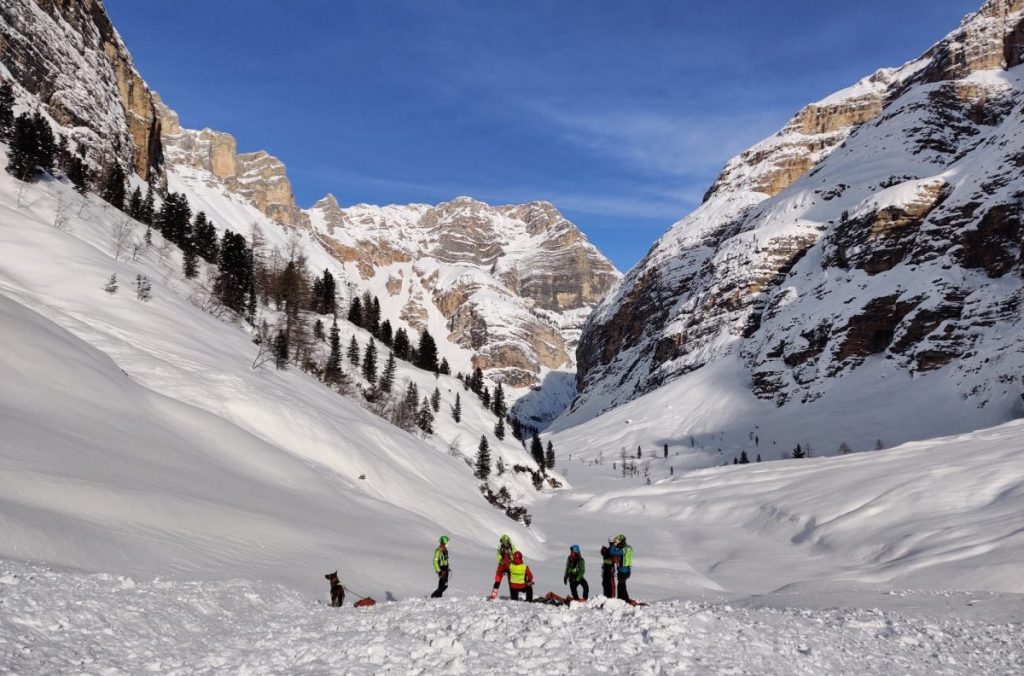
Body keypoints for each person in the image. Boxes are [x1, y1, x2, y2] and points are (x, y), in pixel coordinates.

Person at [489, 534, 518, 599]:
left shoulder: (512, 547)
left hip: (510, 566)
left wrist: (512, 558)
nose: (504, 543)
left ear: (508, 541)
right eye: (503, 542)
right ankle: (493, 594)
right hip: (501, 566)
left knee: (511, 582)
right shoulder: (500, 548)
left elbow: (516, 556)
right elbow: (497, 556)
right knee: (497, 580)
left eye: (505, 542)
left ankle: (514, 596)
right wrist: (500, 559)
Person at [609, 534, 633, 602]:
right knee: (621, 585)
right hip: (627, 570)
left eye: (618, 542)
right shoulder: (628, 548)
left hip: (622, 571)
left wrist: (613, 545)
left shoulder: (623, 550)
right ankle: (622, 599)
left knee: (621, 586)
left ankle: (625, 599)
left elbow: (612, 552)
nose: (617, 544)